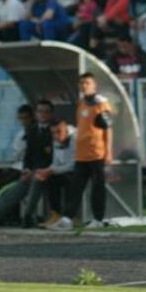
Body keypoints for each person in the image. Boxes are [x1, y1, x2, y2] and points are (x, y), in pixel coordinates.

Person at [48, 73, 113, 230]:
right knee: (75, 188)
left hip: (96, 152)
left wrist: (108, 151)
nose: (84, 86)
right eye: (82, 83)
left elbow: (108, 128)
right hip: (81, 153)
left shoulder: (101, 104)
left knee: (97, 188)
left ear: (94, 85)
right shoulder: (81, 103)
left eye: (87, 83)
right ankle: (67, 219)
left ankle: (98, 219)